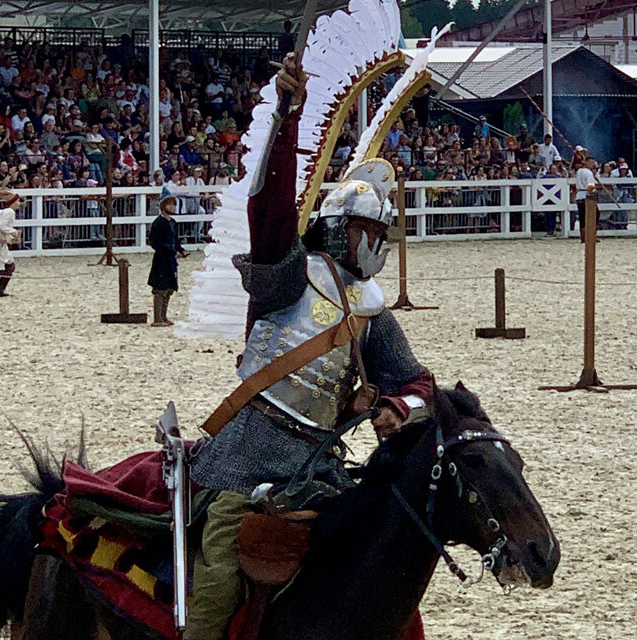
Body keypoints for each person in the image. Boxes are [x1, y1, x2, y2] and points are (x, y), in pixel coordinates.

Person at [183, 54, 433, 640]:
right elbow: (268, 207)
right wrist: (286, 118)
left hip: (318, 465)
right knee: (219, 580)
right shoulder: (291, 271)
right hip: (246, 456)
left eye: (380, 234)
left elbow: (418, 383)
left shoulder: (370, 308)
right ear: (339, 223)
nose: (372, 242)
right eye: (366, 229)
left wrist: (396, 407)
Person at [147, 188, 189, 327]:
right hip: (161, 259)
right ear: (163, 206)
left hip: (170, 260)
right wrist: (171, 251)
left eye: (173, 204)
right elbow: (155, 242)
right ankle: (157, 318)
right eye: (169, 204)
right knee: (160, 288)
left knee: (169, 288)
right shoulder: (159, 223)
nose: (172, 207)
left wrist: (181, 250)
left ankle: (163, 316)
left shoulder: (172, 223)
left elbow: (175, 240)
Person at [575, 155, 597, 241]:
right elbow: (590, 185)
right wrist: (594, 195)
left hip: (579, 195)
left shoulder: (579, 171)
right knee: (593, 215)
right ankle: (590, 235)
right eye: (591, 163)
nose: (592, 165)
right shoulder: (588, 173)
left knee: (582, 216)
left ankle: (583, 235)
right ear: (586, 162)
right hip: (586, 196)